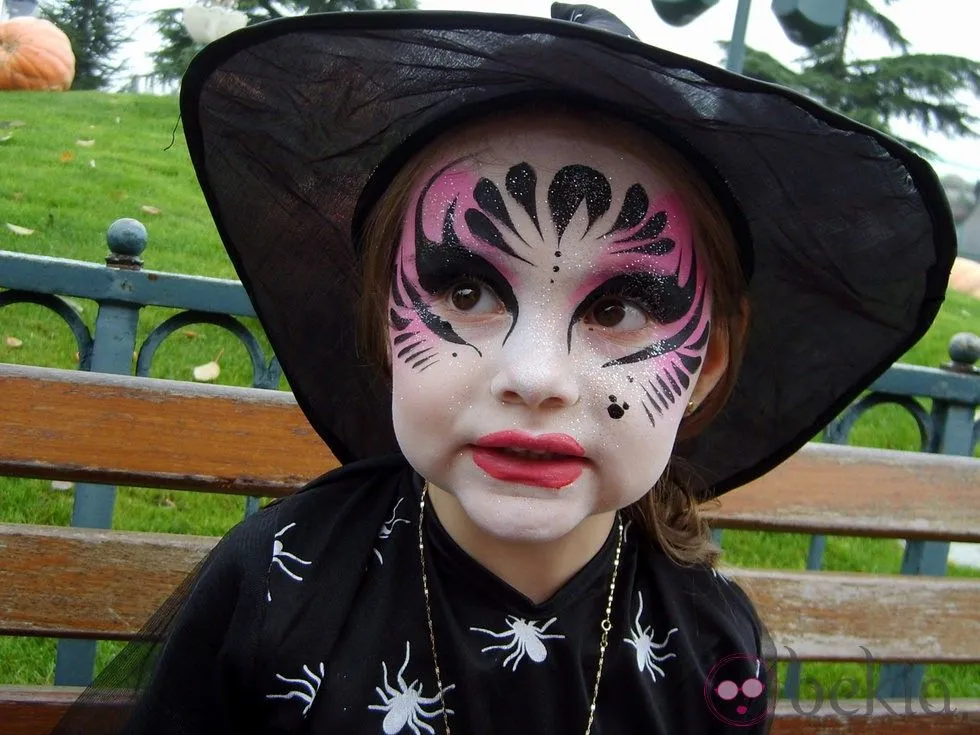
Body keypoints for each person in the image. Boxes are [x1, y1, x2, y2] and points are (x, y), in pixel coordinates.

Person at [52, 3, 955, 734]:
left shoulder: (710, 648)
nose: (536, 375)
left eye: (618, 308)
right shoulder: (276, 587)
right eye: (468, 287)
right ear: (383, 309)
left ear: (707, 360)